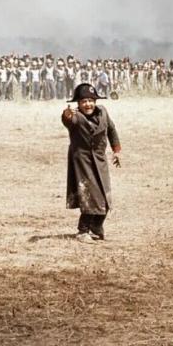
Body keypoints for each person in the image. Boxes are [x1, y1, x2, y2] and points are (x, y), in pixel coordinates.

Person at [61, 83, 122, 243]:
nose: (88, 104)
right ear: (78, 103)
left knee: (105, 197)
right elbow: (67, 120)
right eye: (83, 101)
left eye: (90, 101)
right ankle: (83, 231)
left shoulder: (103, 112)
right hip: (82, 162)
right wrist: (66, 115)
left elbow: (111, 130)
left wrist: (116, 150)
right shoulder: (75, 117)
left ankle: (96, 225)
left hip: (100, 161)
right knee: (90, 195)